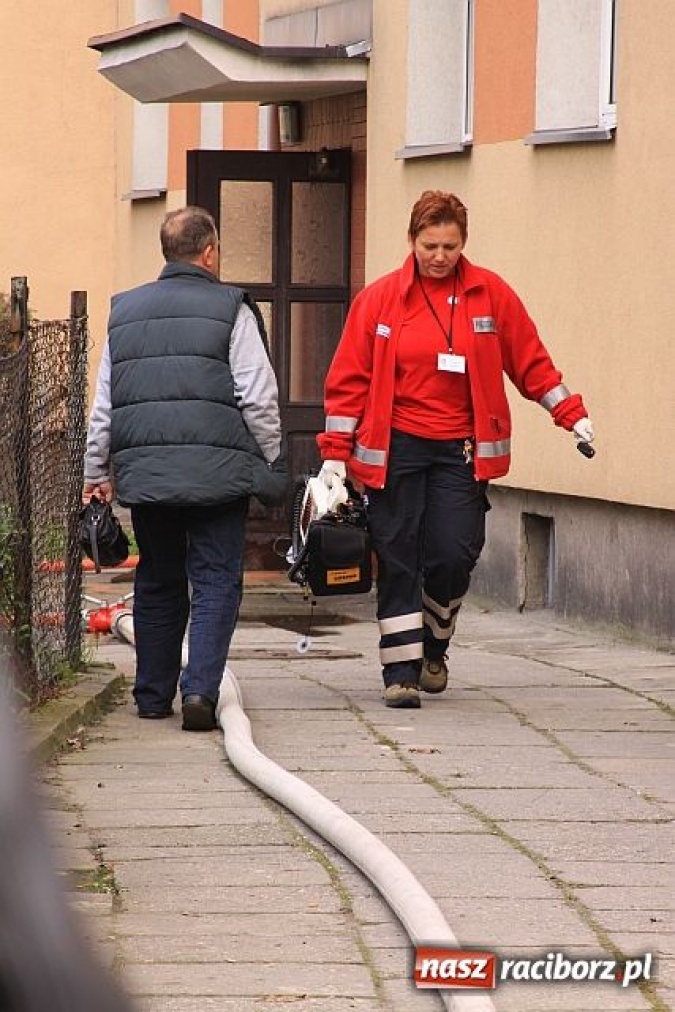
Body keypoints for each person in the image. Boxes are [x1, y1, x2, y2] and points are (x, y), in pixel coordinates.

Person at [316, 190, 594, 709]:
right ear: (412, 241)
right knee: (398, 555)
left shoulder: (491, 296)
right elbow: (348, 379)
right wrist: (335, 453)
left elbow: (530, 361)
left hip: (462, 448)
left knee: (453, 553)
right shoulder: (379, 301)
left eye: (449, 245)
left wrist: (569, 413)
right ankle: (400, 672)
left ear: (463, 242)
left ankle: (433, 647)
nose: (440, 256)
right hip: (396, 446)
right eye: (429, 245)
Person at [84, 206, 286, 731]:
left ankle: (152, 695)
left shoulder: (124, 312)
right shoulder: (231, 309)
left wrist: (95, 471)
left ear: (165, 252)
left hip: (147, 477)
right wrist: (266, 458)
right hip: (219, 476)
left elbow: (105, 403)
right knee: (217, 579)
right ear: (210, 251)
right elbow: (259, 397)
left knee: (158, 578)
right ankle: (199, 692)